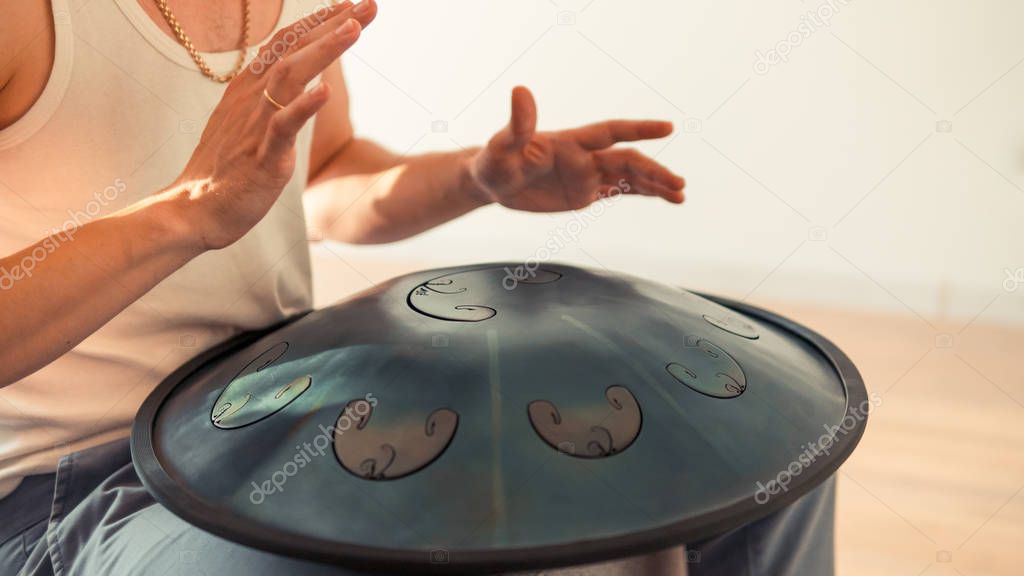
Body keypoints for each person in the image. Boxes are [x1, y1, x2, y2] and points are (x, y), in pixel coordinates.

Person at [0, 1, 835, 574]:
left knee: (749, 457)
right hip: (67, 489)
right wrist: (186, 212)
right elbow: (217, 198)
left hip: (270, 419)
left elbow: (321, 176)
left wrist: (476, 177)